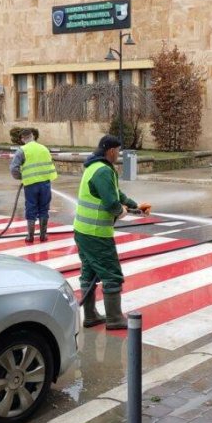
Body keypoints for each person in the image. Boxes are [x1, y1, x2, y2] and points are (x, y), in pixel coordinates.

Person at [73, 135, 152, 330]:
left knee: (89, 274)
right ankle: (115, 319)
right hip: (96, 234)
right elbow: (111, 203)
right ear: (111, 151)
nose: (119, 154)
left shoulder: (95, 167)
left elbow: (116, 194)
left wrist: (135, 206)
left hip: (83, 231)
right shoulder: (103, 171)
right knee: (112, 275)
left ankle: (90, 316)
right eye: (118, 151)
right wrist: (121, 212)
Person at [10, 128, 57, 243]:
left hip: (31, 185)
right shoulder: (44, 148)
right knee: (44, 209)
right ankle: (43, 235)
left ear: (22, 139)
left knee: (31, 208)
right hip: (45, 184)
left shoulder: (22, 151)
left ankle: (30, 236)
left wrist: (21, 177)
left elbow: (13, 169)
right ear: (33, 136)